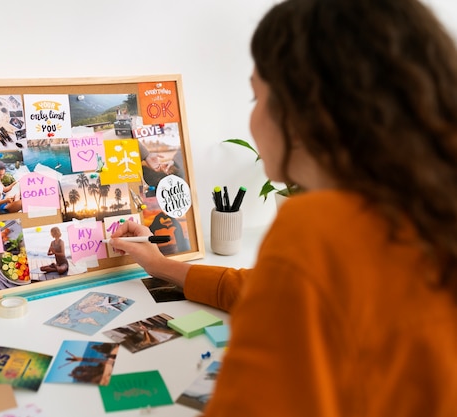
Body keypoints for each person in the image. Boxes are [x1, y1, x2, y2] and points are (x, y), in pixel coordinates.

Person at [108, 0, 457, 415]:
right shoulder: (422, 211)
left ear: (304, 112)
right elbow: (268, 290)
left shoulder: (320, 228)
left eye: (256, 96)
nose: (252, 119)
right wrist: (163, 266)